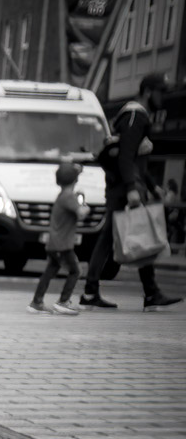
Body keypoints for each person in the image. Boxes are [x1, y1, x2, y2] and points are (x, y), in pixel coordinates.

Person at [80, 73, 181, 311]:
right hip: (124, 187)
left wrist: (151, 185)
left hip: (125, 184)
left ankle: (145, 292)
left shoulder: (133, 115)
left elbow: (133, 158)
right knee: (117, 238)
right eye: (160, 92)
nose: (163, 97)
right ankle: (96, 290)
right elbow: (126, 157)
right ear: (148, 91)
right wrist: (133, 189)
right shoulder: (136, 116)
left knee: (117, 237)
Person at [28, 160, 88, 315]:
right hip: (63, 245)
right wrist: (85, 207)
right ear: (75, 180)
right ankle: (63, 301)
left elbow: (71, 174)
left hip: (54, 243)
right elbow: (80, 213)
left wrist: (77, 170)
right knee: (76, 271)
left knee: (50, 272)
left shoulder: (63, 194)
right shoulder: (69, 197)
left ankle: (36, 302)